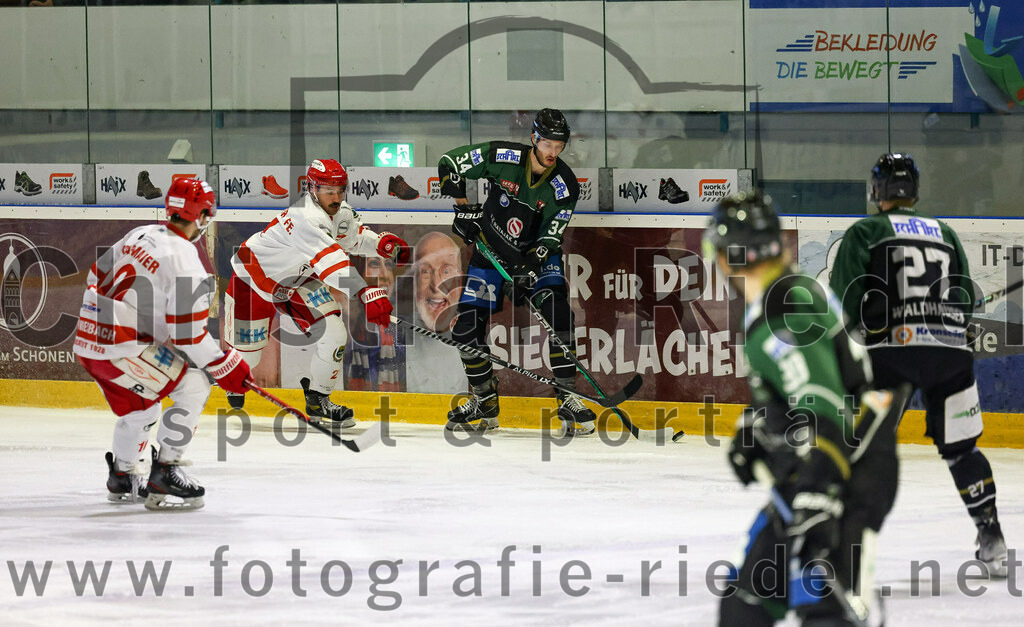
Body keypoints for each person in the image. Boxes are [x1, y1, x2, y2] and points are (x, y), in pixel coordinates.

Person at [708, 191, 906, 625]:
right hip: (813, 470)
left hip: (845, 476)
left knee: (825, 614)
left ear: (727, 257)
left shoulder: (784, 308)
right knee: (746, 606)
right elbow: (800, 397)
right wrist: (757, 428)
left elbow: (824, 407)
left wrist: (819, 494)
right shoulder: (779, 298)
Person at [829, 153, 1008, 577]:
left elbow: (843, 304)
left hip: (891, 352)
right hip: (950, 356)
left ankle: (847, 551)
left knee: (865, 449)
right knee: (962, 450)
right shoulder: (944, 232)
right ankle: (993, 540)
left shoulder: (867, 231)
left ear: (877, 191)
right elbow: (962, 303)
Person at [73, 178, 251, 511]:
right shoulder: (186, 260)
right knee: (195, 385)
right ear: (201, 216)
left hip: (87, 341)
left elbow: (96, 274)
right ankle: (165, 471)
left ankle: (123, 476)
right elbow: (187, 335)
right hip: (122, 348)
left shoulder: (141, 233)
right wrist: (223, 363)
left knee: (143, 407)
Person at [436, 108, 596, 436]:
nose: (553, 152)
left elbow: (552, 233)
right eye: (547, 144)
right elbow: (449, 163)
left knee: (559, 315)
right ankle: (484, 401)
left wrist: (529, 268)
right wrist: (464, 208)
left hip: (537, 259)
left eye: (559, 146)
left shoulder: (565, 184)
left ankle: (568, 397)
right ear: (534, 139)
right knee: (466, 330)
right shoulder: (504, 156)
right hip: (489, 254)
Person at [224, 159, 408, 425]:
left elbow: (352, 238)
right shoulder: (305, 217)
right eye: (327, 190)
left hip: (298, 278)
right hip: (253, 278)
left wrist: (381, 245)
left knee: (334, 334)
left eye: (339, 189)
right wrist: (366, 293)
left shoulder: (339, 210)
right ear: (311, 188)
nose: (335, 197)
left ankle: (318, 400)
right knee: (248, 358)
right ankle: (231, 375)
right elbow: (333, 261)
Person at [405, 231, 468, 394]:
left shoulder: (478, 328)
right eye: (425, 272)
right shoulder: (395, 332)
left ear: (460, 280)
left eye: (446, 271)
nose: (436, 285)